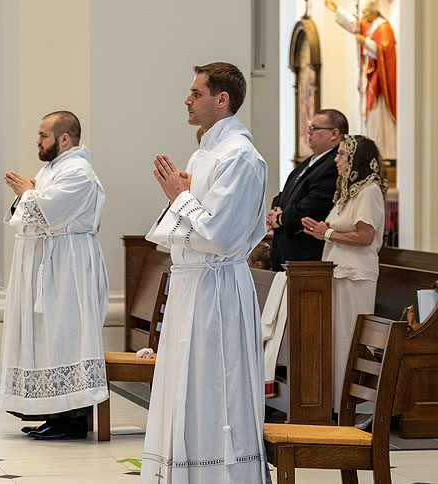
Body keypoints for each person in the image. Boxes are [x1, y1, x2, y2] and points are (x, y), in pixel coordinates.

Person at [141, 62, 269, 484]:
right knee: (186, 389)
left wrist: (180, 195)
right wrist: (180, 195)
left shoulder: (242, 158)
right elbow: (188, 226)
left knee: (217, 388)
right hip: (191, 285)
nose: (187, 99)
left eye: (196, 93)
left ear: (222, 99)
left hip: (218, 290)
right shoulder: (205, 152)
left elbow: (220, 234)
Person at [0, 110, 109, 440]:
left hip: (69, 267)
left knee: (66, 336)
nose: (37, 140)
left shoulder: (77, 171)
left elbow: (50, 211)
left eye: (43, 135)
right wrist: (31, 193)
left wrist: (28, 193)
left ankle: (71, 421)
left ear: (64, 138)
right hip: (53, 264)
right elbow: (35, 209)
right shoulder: (53, 169)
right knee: (49, 338)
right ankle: (52, 414)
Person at [301, 134, 387, 415]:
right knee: (337, 342)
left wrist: (327, 232)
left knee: (350, 340)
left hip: (355, 276)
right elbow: (340, 229)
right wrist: (323, 228)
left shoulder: (369, 191)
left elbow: (365, 236)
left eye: (341, 155)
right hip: (339, 273)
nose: (336, 160)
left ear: (356, 160)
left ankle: (358, 409)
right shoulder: (348, 192)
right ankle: (339, 405)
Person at [267, 109, 348, 270]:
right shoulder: (308, 162)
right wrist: (274, 212)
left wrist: (279, 219)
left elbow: (312, 207)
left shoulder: (333, 166)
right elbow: (283, 196)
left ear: (334, 133)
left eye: (314, 128)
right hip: (286, 250)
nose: (308, 133)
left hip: (306, 254)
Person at [325, 0, 397, 160]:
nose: (363, 17)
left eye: (365, 13)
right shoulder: (371, 27)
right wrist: (337, 10)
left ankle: (385, 154)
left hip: (380, 82)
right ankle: (373, 153)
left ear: (373, 12)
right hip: (370, 79)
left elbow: (384, 49)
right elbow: (354, 25)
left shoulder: (383, 27)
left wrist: (366, 42)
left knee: (378, 119)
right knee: (371, 119)